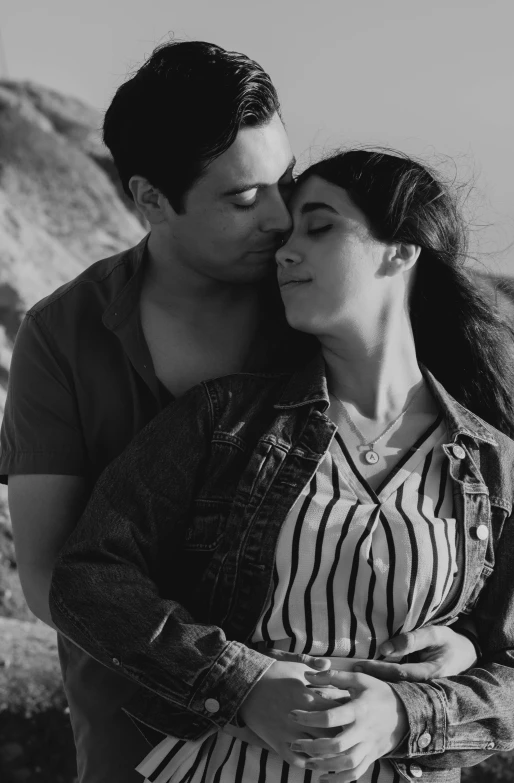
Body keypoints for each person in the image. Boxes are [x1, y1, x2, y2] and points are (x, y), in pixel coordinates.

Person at [1, 38, 476, 782]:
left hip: (355, 746)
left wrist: (462, 647)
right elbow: (50, 574)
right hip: (136, 742)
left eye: (283, 179)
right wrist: (241, 681)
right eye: (243, 197)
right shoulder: (63, 335)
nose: (280, 216)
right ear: (150, 200)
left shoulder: (321, 303)